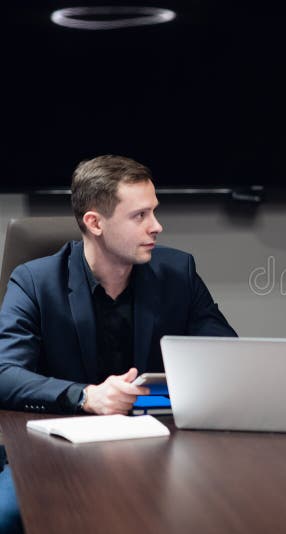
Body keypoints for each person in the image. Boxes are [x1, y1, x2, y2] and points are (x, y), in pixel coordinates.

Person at [0, 155, 237, 531]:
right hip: (58, 448)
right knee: (9, 515)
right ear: (94, 222)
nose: (157, 227)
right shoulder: (34, 281)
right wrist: (86, 396)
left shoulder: (178, 273)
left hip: (161, 445)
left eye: (154, 212)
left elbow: (228, 356)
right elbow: (5, 375)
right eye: (139, 216)